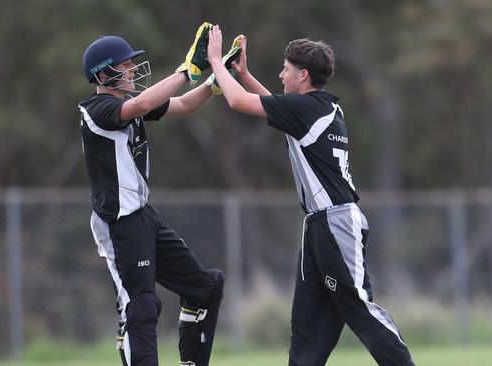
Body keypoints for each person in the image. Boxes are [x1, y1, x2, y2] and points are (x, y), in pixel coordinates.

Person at [207, 25, 415, 366]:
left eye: (285, 70)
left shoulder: (308, 111)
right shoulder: (318, 108)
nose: (280, 75)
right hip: (320, 227)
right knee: (308, 326)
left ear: (302, 75)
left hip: (336, 223)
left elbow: (236, 101)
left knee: (360, 308)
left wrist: (216, 61)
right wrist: (243, 74)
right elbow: (276, 106)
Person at [79, 22, 237, 366]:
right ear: (103, 74)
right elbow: (141, 105)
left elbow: (184, 106)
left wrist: (217, 79)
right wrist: (187, 68)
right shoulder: (98, 110)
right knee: (141, 305)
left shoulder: (131, 101)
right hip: (118, 224)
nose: (133, 68)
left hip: (143, 217)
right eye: (126, 64)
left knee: (205, 287)